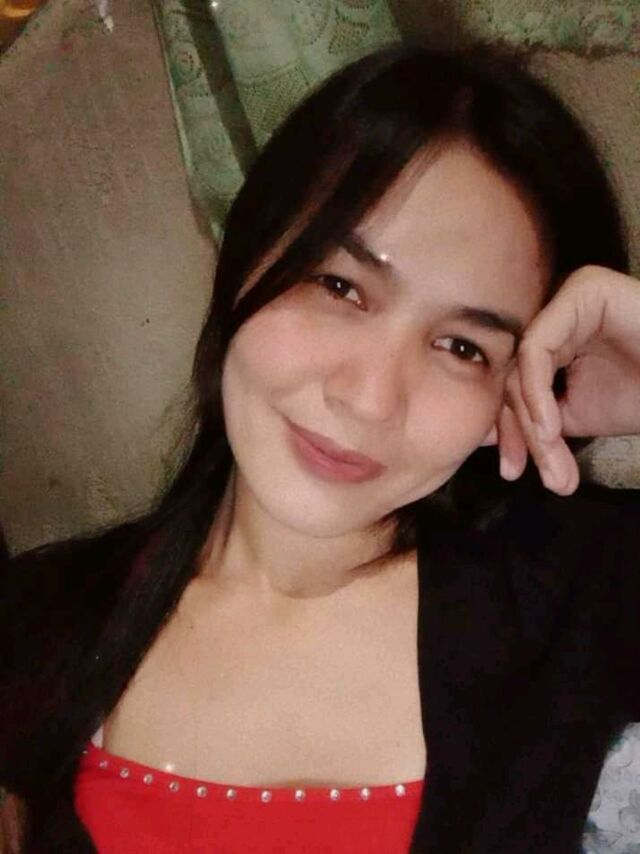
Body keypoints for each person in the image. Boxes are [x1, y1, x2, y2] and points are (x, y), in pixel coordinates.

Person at [1, 41, 639, 854]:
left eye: (463, 348)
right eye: (340, 286)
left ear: (518, 387)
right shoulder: (37, 619)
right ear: (250, 255)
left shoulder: (587, 587)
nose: (369, 399)